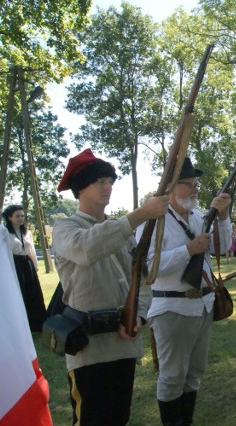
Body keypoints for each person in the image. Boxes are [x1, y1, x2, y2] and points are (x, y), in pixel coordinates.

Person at [52, 148, 169, 426]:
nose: (108, 187)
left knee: (118, 418)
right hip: (89, 349)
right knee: (91, 419)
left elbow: (139, 279)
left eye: (110, 180)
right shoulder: (65, 228)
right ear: (81, 188)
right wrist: (139, 215)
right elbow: (86, 248)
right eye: (100, 181)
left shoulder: (118, 230)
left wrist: (138, 316)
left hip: (123, 342)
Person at [142, 157, 232, 426]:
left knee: (194, 374)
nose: (195, 189)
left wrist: (224, 216)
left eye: (196, 184)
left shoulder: (197, 217)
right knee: (171, 377)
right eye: (188, 184)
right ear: (170, 187)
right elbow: (148, 268)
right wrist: (188, 250)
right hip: (172, 308)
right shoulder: (152, 220)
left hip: (202, 305)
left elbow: (221, 246)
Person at [2, 204, 47, 332]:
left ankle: (36, 324)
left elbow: (31, 250)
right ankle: (20, 325)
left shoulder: (27, 232)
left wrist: (35, 267)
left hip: (27, 265)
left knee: (33, 293)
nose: (21, 218)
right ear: (9, 217)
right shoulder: (4, 233)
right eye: (17, 216)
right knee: (19, 294)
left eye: (22, 216)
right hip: (14, 265)